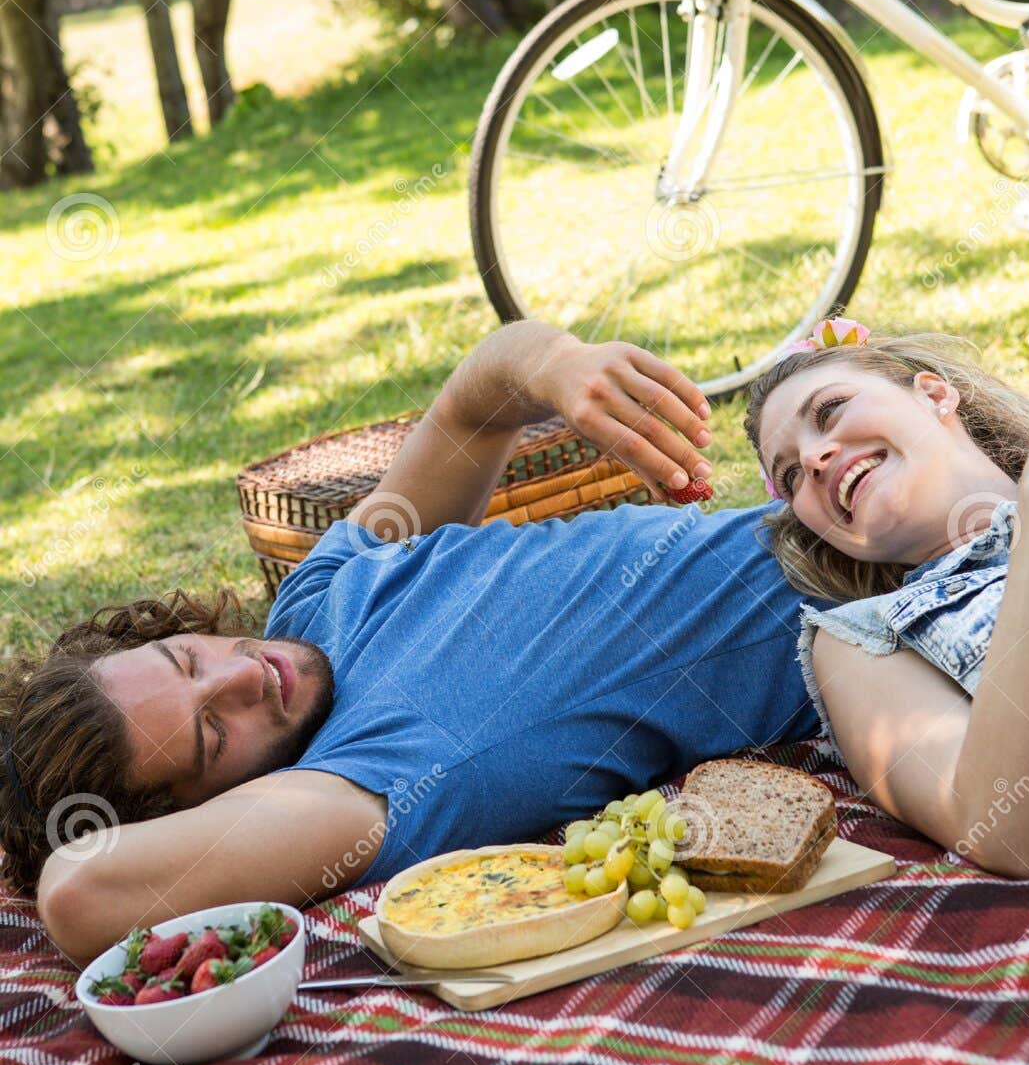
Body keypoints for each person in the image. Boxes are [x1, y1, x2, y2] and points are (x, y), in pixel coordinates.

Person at [4, 320, 824, 966]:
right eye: (212, 732)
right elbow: (79, 894)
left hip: (820, 497)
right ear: (211, 810)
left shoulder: (313, 602)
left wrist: (555, 367)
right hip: (879, 591)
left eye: (187, 659)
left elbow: (475, 403)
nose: (242, 676)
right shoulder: (364, 781)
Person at [747, 315, 1029, 880]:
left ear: (934, 394)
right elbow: (1006, 830)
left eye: (829, 411)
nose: (816, 460)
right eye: (791, 476)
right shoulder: (860, 641)